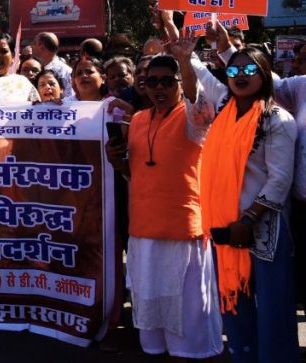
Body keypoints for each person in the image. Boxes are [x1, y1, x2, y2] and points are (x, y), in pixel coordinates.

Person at [171, 38, 298, 362]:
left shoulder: (276, 120)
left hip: (262, 229)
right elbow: (201, 75)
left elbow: (279, 179)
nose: (241, 74)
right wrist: (185, 56)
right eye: (234, 69)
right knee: (235, 307)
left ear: (265, 74)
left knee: (273, 309)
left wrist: (248, 221)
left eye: (250, 68)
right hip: (226, 228)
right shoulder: (225, 105)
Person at [104, 55, 223, 359]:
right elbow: (133, 171)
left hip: (183, 229)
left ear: (179, 84)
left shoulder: (192, 119)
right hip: (144, 229)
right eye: (151, 81)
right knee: (151, 301)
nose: (158, 87)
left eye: (167, 81)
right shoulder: (139, 119)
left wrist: (185, 60)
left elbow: (200, 102)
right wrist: (115, 158)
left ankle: (192, 353)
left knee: (188, 308)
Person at [31, 32, 73, 99]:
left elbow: (70, 99)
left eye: (34, 43)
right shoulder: (39, 68)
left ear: (42, 47)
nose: (31, 46)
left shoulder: (65, 72)